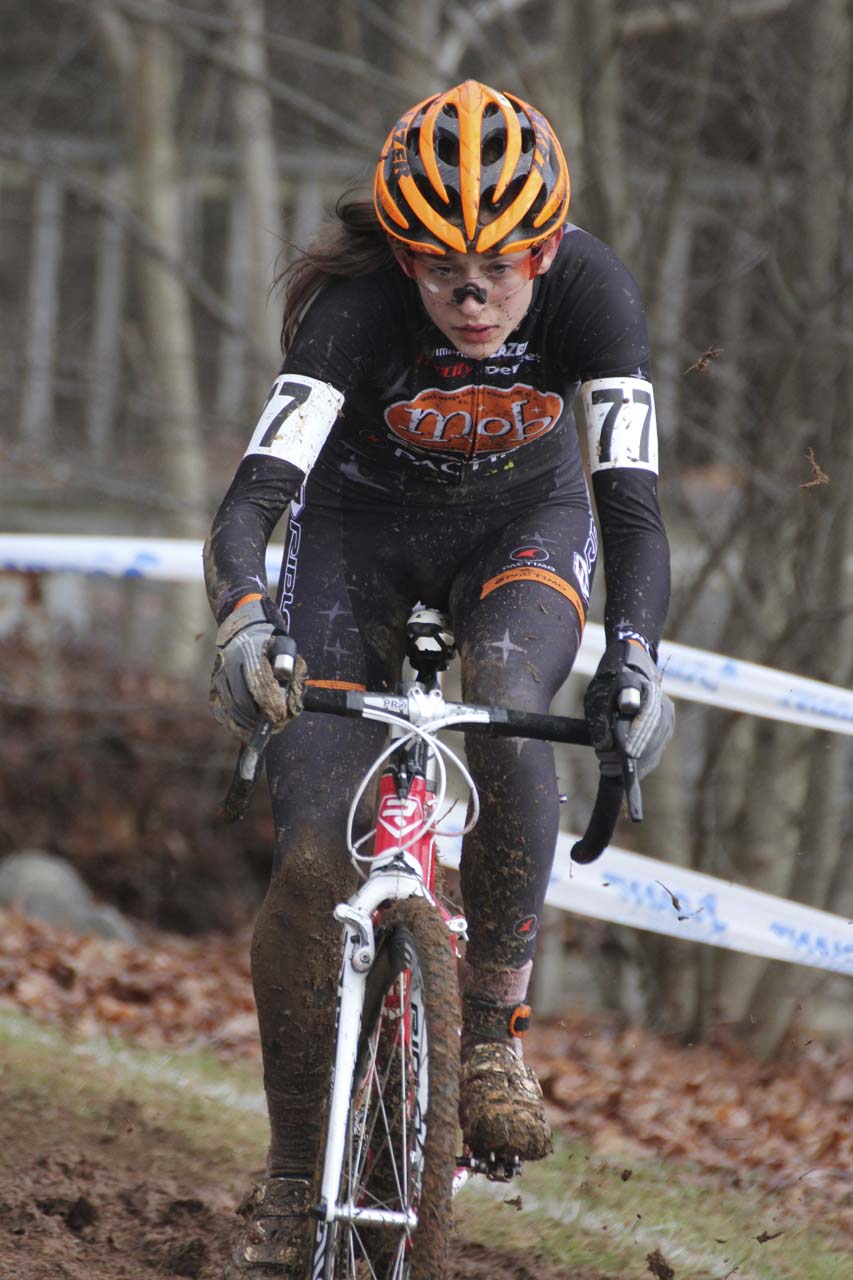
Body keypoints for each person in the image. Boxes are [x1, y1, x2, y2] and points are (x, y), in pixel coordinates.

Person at [204, 79, 674, 1277]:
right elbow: (253, 498)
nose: (472, 298)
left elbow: (631, 506)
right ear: (400, 257)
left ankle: (492, 1036)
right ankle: (285, 1180)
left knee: (513, 705)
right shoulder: (356, 312)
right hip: (355, 540)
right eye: (440, 270)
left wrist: (635, 657)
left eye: (501, 270)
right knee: (311, 859)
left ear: (549, 249)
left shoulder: (596, 296)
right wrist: (245, 620)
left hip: (520, 527)